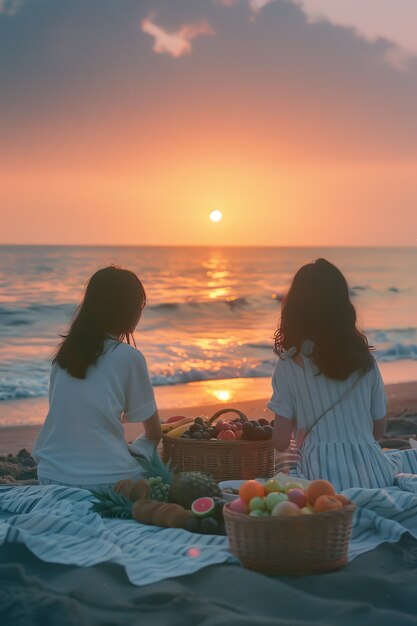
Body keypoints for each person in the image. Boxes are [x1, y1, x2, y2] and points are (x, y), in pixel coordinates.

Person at [268, 258, 417, 491]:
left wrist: (301, 436)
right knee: (406, 457)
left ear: (295, 308)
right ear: (343, 307)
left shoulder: (290, 363)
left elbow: (280, 441)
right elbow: (378, 431)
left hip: (320, 477)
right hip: (375, 471)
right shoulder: (365, 361)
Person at [33, 266, 161, 490]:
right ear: (128, 311)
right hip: (109, 482)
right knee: (151, 447)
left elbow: (71, 412)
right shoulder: (129, 356)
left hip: (50, 476)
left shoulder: (63, 356)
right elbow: (154, 432)